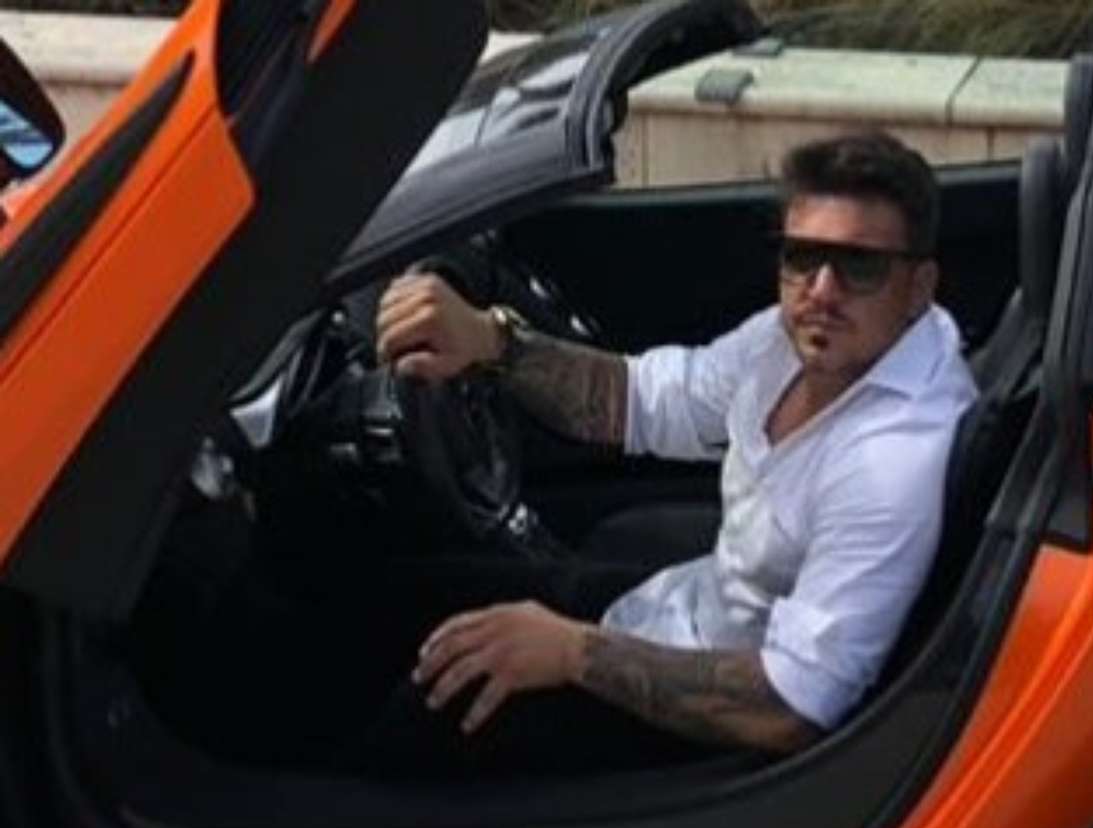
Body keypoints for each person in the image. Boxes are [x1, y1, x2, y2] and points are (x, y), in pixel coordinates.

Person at [366, 131, 977, 775]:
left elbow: (792, 707)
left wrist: (571, 653)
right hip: (679, 613)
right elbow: (644, 401)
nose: (821, 289)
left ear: (919, 286)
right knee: (400, 597)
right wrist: (493, 343)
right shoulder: (793, 342)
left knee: (424, 714)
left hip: (710, 728)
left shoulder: (888, 463)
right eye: (802, 256)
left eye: (860, 266)